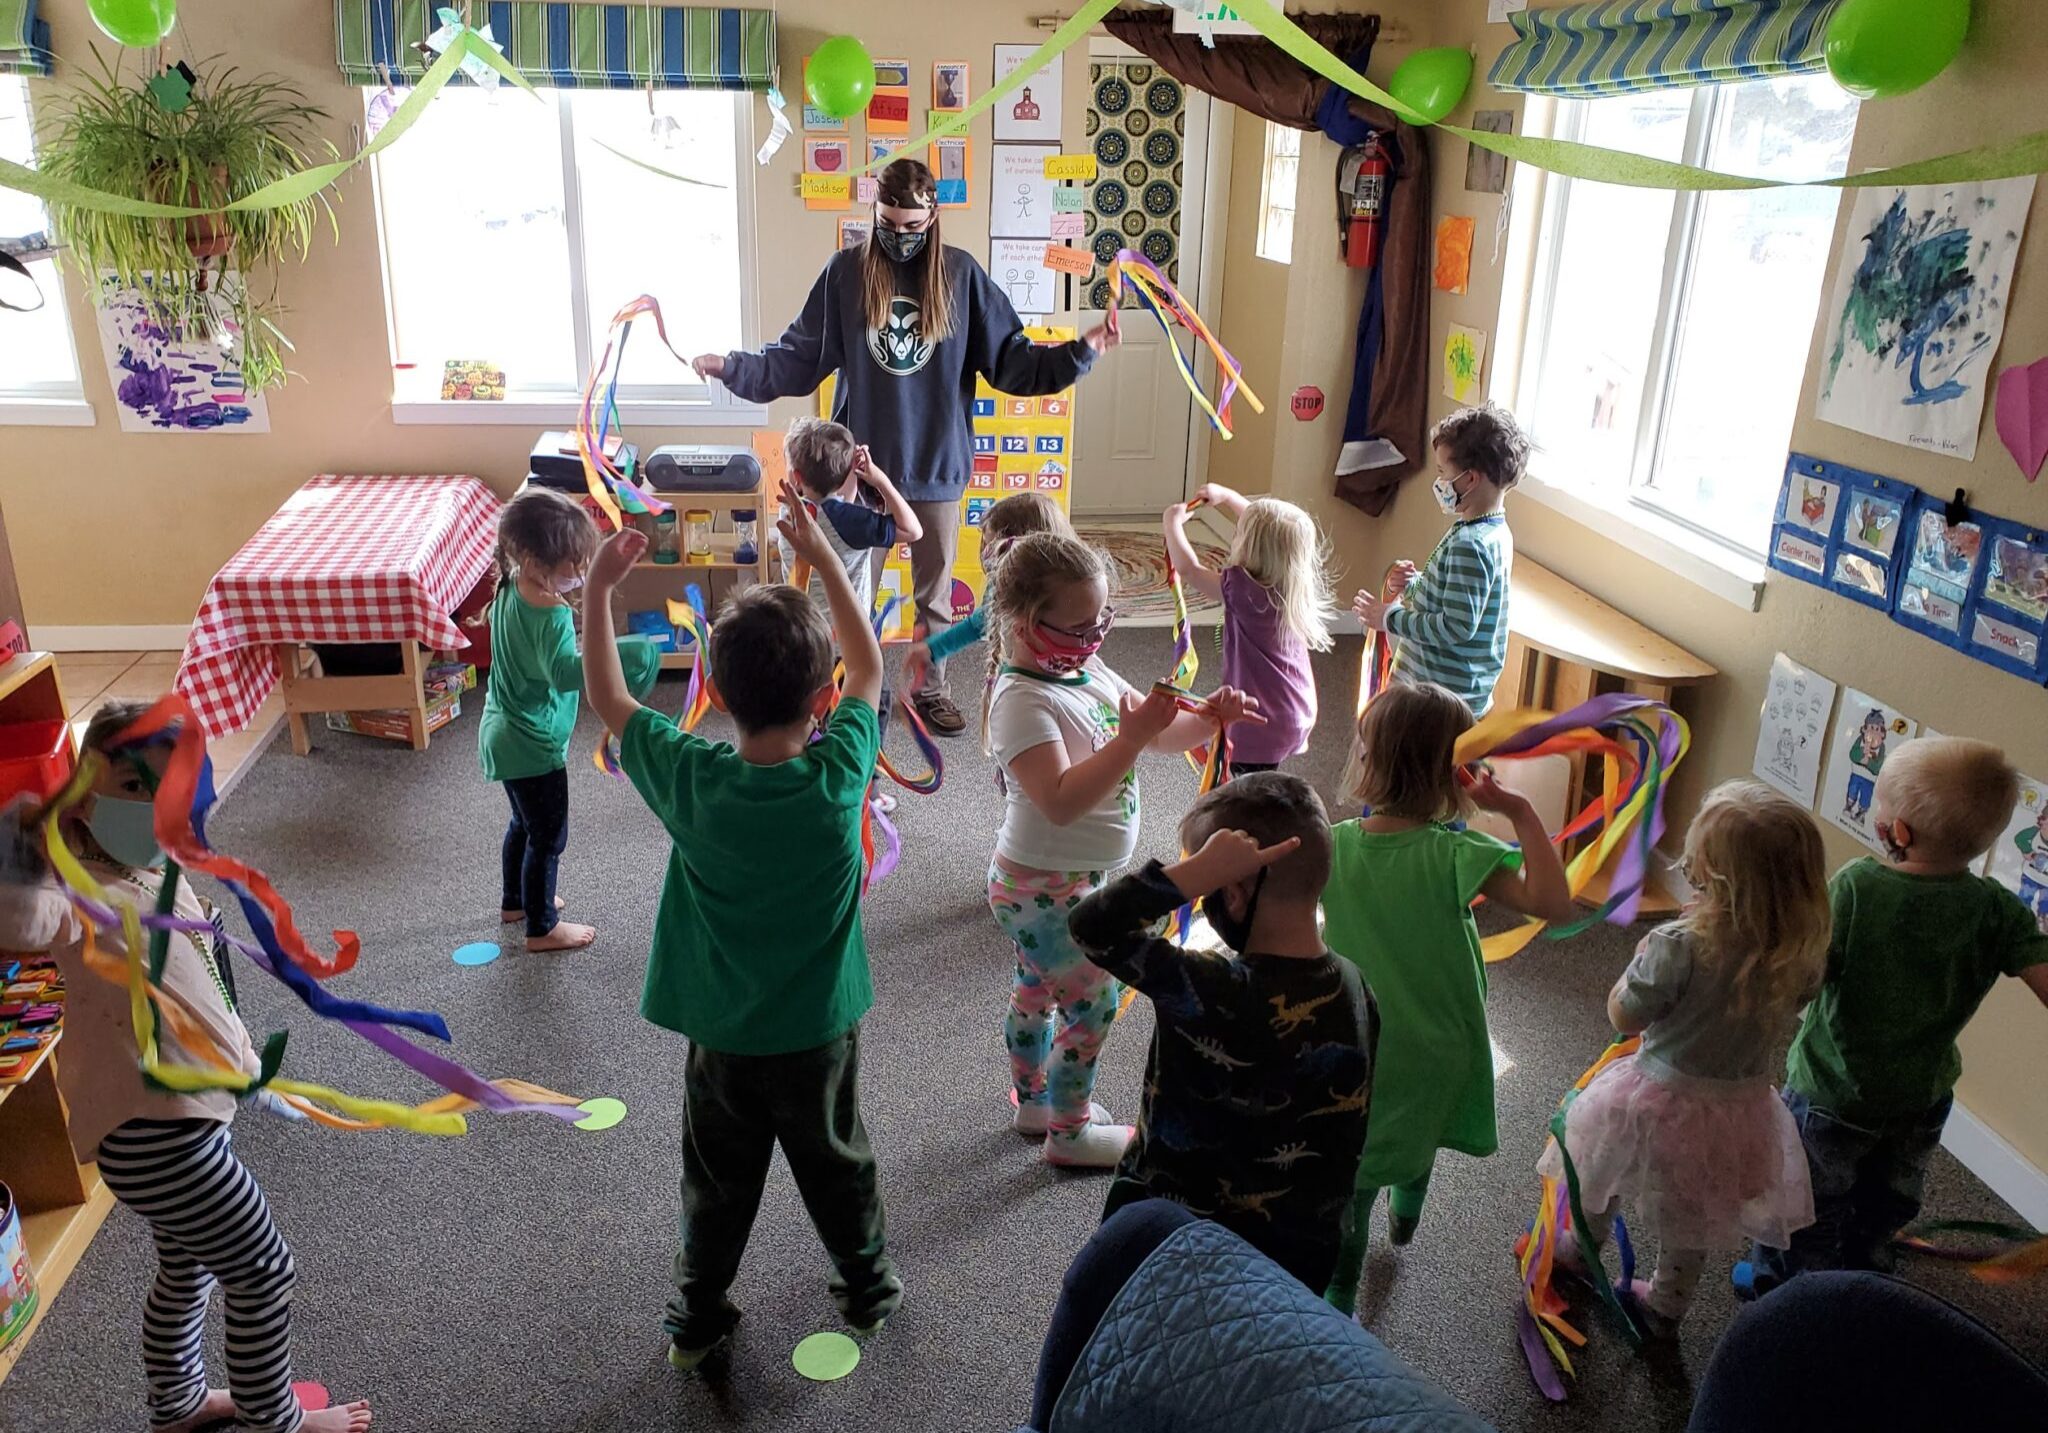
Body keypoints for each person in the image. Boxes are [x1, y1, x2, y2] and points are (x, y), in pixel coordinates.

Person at [581, 481, 903, 1369]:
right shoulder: (839, 771)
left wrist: (599, 593)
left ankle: (696, 1315)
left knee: (716, 1182)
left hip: (722, 1037)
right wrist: (832, 559)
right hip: (818, 1033)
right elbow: (871, 670)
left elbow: (610, 701)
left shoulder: (693, 779)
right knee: (838, 1162)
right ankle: (868, 1287)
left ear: (714, 690)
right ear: (820, 698)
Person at [0, 704, 372, 1433]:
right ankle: (278, 1419)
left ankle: (176, 1402)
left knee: (188, 1266)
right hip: (155, 1135)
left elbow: (200, 977)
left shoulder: (156, 858)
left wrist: (242, 1067)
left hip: (188, 1113)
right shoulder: (71, 891)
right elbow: (21, 923)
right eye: (135, 788)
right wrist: (15, 845)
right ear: (86, 789)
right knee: (264, 1267)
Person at [693, 158, 1117, 739]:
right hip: (857, 471)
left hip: (935, 463)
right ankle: (834, 690)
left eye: (912, 226)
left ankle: (929, 691)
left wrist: (1080, 351)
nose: (899, 235)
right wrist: (731, 367)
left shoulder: (961, 276)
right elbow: (795, 357)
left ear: (933, 219)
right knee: (845, 590)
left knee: (934, 596)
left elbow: (1014, 360)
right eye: (888, 222)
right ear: (875, 213)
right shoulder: (846, 273)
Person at [983, 532, 1263, 1168]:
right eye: (1078, 628)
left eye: (1101, 622)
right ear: (1026, 625)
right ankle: (1069, 1131)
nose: (1093, 640)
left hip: (1070, 879)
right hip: (1041, 887)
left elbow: (1161, 737)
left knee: (1035, 990)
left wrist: (1210, 719)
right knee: (1093, 1003)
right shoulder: (1021, 700)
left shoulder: (1087, 669)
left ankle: (1032, 1102)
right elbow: (1059, 800)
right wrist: (1131, 739)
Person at [1746, 737, 2048, 1292]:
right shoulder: (1996, 910)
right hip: (1921, 1098)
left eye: (1880, 807)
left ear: (1897, 831)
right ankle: (1868, 1273)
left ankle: (1788, 1289)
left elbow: (1805, 982)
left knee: (1803, 1192)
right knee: (1887, 1195)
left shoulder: (1859, 888)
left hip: (1833, 1093)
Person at [1320, 681, 1575, 1313]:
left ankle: (1341, 1294)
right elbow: (1554, 906)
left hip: (1356, 1040)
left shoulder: (1331, 846)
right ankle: (1406, 1213)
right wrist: (1520, 813)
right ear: (1459, 775)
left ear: (1367, 759)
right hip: (1438, 1040)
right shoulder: (1461, 852)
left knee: (1352, 1174)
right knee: (1419, 1127)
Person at [1541, 781, 1829, 1338]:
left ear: (1712, 874)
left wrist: (1634, 969)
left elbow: (1625, 1017)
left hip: (1657, 1098)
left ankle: (1580, 1251)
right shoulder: (1797, 952)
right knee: (1694, 1212)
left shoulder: (1678, 944)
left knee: (1604, 1167)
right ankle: (1667, 1306)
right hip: (1737, 1110)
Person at [1068, 774, 1376, 1290]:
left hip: (1170, 1243)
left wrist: (1188, 874)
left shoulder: (1207, 987)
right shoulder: (1355, 986)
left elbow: (1090, 926)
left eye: (1209, 885)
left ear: (1232, 892)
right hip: (1291, 1264)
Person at [478, 488, 659, 953]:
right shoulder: (551, 614)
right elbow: (563, 674)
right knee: (548, 836)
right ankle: (541, 927)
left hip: (502, 731)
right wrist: (623, 652)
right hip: (531, 744)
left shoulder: (509, 584)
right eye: (572, 566)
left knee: (522, 824)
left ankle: (516, 900)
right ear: (535, 558)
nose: (579, 575)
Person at [1351, 403, 1527, 716]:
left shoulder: (1470, 545)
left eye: (1443, 472)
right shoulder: (1490, 530)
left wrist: (1390, 618)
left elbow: (1456, 627)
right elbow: (1453, 600)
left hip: (1437, 697)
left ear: (1470, 479)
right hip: (1448, 691)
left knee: (1411, 761)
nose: (1440, 481)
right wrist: (1413, 585)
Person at [1162, 483, 1335, 778]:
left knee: (1246, 787)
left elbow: (1189, 569)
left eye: (1240, 532)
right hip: (1295, 711)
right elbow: (1272, 535)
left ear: (1249, 547)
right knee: (1265, 776)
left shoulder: (1243, 590)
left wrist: (1171, 522)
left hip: (1256, 721)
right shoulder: (1293, 585)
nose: (1235, 534)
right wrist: (1228, 497)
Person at [903, 490, 1073, 680]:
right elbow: (982, 621)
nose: (987, 554)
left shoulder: (1071, 595)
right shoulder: (1003, 583)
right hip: (1016, 680)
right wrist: (933, 649)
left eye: (993, 546)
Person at [774, 415, 922, 616]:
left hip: (801, 631)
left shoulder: (787, 513)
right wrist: (880, 480)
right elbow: (913, 531)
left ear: (796, 477)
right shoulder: (855, 522)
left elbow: (833, 508)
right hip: (848, 637)